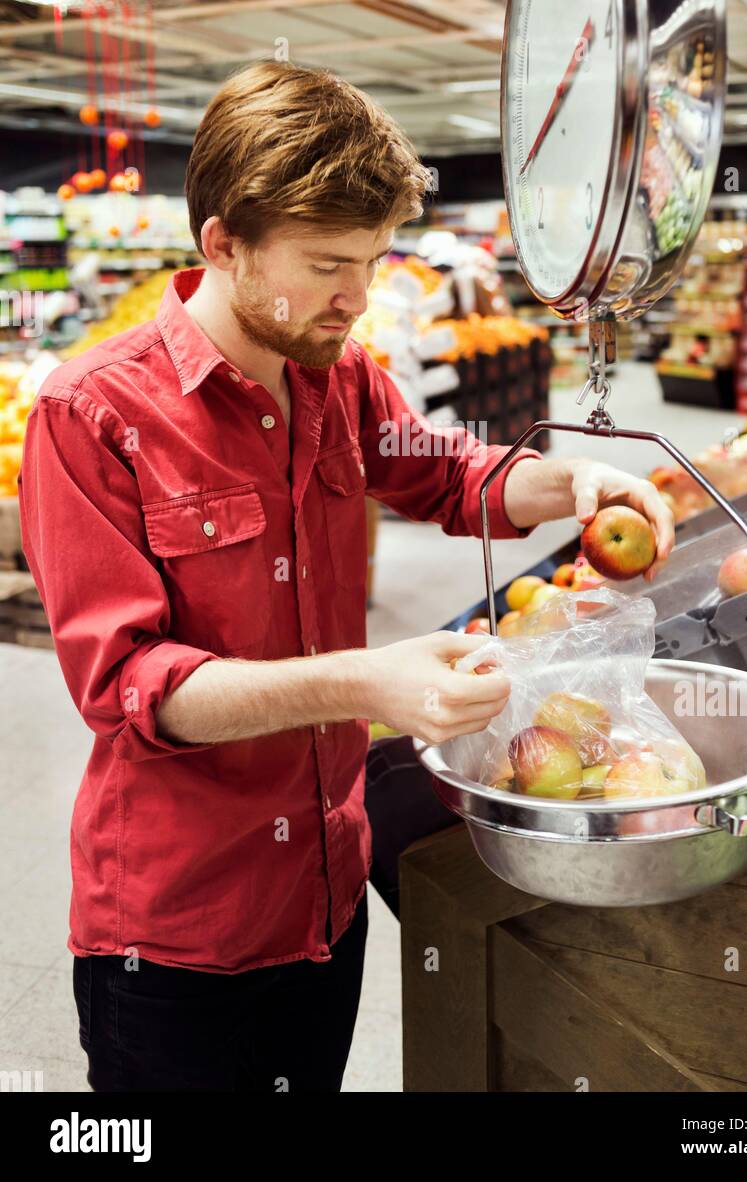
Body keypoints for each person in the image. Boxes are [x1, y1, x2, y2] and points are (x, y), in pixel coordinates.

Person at [18, 62, 674, 1093]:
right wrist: (367, 682)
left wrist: (575, 483)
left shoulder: (339, 376)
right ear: (223, 244)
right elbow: (131, 688)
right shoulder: (91, 414)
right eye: (328, 262)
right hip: (182, 935)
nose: (357, 298)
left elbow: (442, 473)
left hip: (325, 900)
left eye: (371, 259)